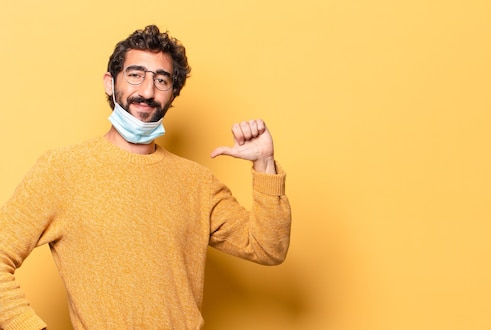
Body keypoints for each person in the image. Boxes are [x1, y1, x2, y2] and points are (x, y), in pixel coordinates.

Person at [0, 25, 291, 330]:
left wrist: (264, 163)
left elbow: (268, 248)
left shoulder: (197, 183)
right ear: (110, 83)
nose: (147, 91)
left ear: (172, 94)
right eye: (135, 74)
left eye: (161, 80)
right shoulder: (62, 170)